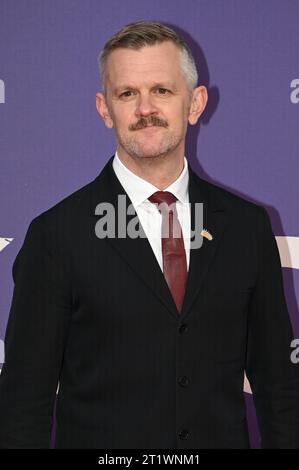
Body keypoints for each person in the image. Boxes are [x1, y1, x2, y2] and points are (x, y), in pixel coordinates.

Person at [0, 20, 298, 449]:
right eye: (127, 94)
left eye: (161, 90)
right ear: (104, 109)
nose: (145, 109)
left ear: (195, 104)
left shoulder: (246, 227)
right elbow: (22, 408)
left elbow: (280, 389)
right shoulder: (56, 236)